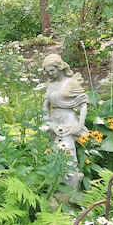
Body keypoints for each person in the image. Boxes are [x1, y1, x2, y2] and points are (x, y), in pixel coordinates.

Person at [41, 54, 88, 190]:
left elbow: (84, 104)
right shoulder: (51, 84)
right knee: (54, 155)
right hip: (54, 121)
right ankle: (56, 189)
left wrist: (79, 125)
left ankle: (71, 190)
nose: (50, 74)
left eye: (52, 70)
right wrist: (48, 123)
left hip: (68, 120)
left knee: (68, 154)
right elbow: (45, 105)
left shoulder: (71, 82)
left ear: (60, 67)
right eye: (47, 71)